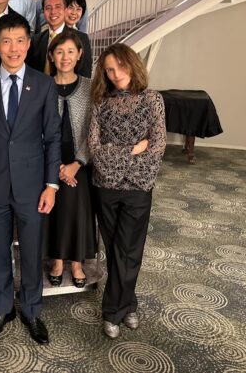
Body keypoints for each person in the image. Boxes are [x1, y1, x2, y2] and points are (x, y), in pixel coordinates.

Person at [0, 13, 60, 345]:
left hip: (33, 186)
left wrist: (51, 185)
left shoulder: (44, 84)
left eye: (20, 40)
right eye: (6, 41)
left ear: (28, 44)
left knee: (32, 251)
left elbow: (52, 138)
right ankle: (3, 307)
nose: (13, 48)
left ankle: (32, 310)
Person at [88, 43, 166, 339]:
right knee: (116, 249)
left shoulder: (152, 99)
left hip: (138, 188)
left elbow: (157, 147)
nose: (116, 73)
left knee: (130, 250)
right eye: (109, 69)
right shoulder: (100, 101)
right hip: (105, 188)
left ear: (132, 64)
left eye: (120, 66)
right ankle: (129, 304)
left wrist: (117, 155)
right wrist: (134, 149)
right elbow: (96, 150)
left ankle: (113, 311)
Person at [45, 31, 96, 289]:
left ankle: (76, 262)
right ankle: (56, 260)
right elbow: (34, 129)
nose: (65, 57)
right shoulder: (41, 85)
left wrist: (76, 163)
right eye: (59, 52)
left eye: (70, 52)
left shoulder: (90, 86)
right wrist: (54, 166)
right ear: (52, 56)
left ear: (79, 55)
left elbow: (95, 130)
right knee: (54, 208)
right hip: (50, 160)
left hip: (81, 162)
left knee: (77, 208)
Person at [31, 0, 93, 78]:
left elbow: (85, 76)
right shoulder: (36, 40)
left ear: (65, 9)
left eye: (58, 7)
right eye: (48, 8)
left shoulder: (81, 38)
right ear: (43, 12)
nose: (53, 12)